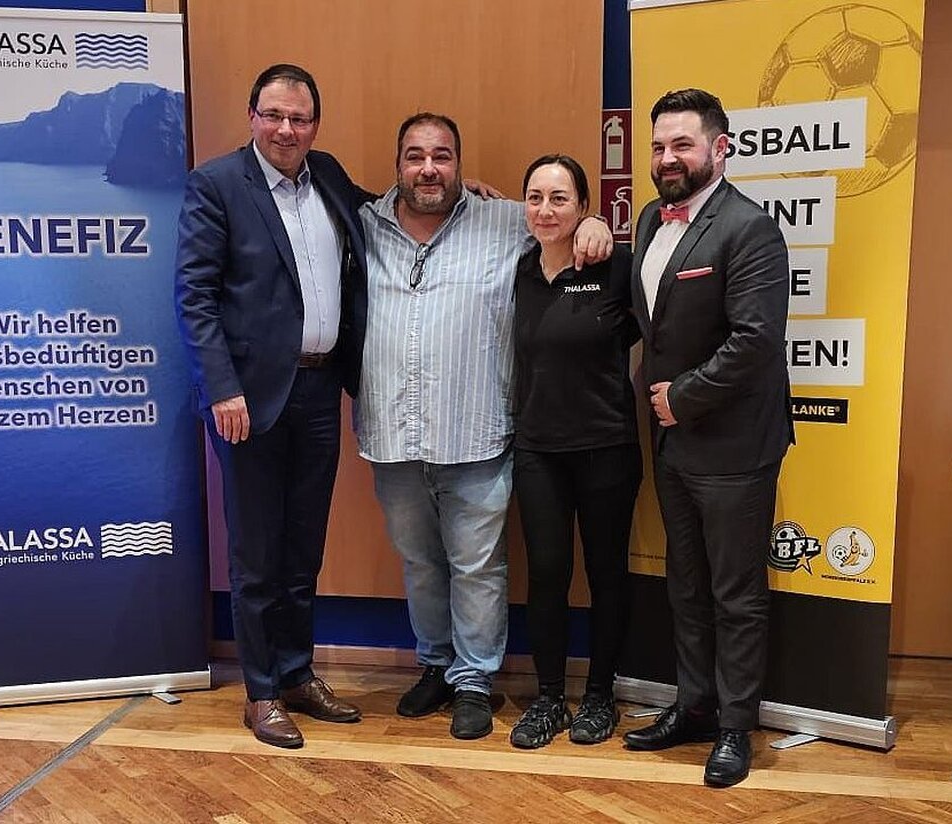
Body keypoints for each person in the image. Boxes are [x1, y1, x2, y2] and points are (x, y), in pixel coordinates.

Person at [356, 114, 613, 740]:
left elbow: (561, 226)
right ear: (397, 164)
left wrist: (597, 222)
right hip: (392, 433)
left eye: (442, 157)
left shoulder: (504, 222)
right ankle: (435, 666)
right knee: (419, 562)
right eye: (415, 156)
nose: (428, 169)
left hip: (475, 431)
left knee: (477, 566)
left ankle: (474, 681)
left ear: (458, 164)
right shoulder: (361, 226)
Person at [175, 64, 367, 749]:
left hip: (318, 390)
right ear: (252, 115)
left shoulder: (332, 176)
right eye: (275, 115)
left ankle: (296, 673)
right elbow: (194, 297)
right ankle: (261, 692)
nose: (288, 129)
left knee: (302, 549)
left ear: (316, 123)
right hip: (248, 400)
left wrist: (466, 194)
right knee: (256, 552)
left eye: (301, 118)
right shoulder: (218, 184)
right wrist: (221, 387)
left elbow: (386, 211)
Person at [621, 89, 793, 786]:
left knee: (735, 593)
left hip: (734, 447)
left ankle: (734, 727)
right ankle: (693, 706)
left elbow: (755, 341)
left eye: (682, 145)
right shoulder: (646, 221)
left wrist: (680, 399)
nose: (667, 158)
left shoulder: (749, 229)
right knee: (685, 587)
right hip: (673, 447)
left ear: (720, 149)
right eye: (659, 146)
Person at [507, 155, 641, 749]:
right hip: (539, 451)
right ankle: (548, 698)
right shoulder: (521, 271)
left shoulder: (616, 268)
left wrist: (611, 236)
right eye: (535, 197)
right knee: (547, 575)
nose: (545, 209)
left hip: (607, 448)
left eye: (560, 198)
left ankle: (601, 697)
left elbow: (658, 334)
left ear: (584, 207)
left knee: (607, 574)